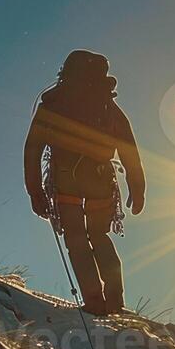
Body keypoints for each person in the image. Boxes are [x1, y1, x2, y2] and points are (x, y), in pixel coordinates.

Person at [24, 50, 146, 315]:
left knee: (76, 239)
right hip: (101, 181)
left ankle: (93, 301)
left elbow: (33, 149)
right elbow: (129, 150)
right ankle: (115, 299)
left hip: (65, 181)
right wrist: (137, 189)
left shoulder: (53, 104)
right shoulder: (108, 107)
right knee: (99, 236)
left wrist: (35, 192)